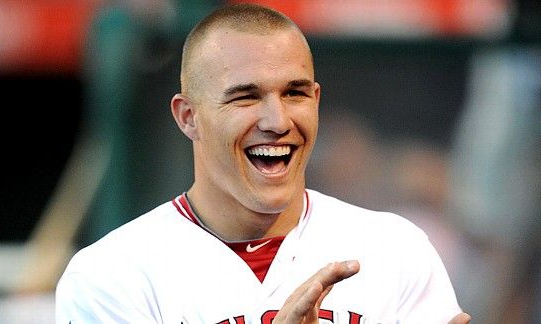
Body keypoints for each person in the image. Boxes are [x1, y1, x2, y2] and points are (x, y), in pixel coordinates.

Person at [56, 3, 470, 323]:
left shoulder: (394, 249)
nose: (277, 122)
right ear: (188, 116)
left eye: (295, 93)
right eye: (245, 97)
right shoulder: (112, 275)